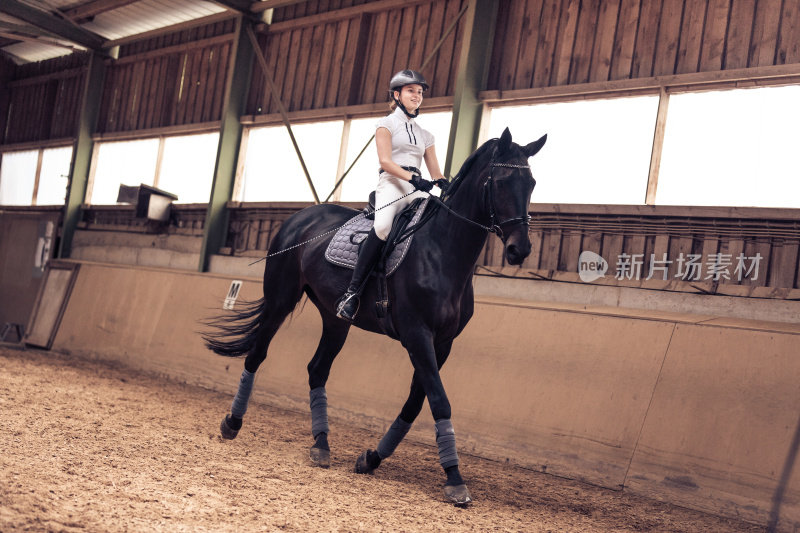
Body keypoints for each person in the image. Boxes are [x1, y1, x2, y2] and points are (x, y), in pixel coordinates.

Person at [335, 69, 446, 322]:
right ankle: (351, 294)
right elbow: (385, 161)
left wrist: (444, 183)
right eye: (411, 91)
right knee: (383, 228)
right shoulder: (386, 124)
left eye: (419, 92)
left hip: (417, 190)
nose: (417, 96)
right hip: (392, 184)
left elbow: (435, 171)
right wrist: (413, 178)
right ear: (397, 94)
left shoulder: (426, 135)